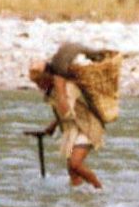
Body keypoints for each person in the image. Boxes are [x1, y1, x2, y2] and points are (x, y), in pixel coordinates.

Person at [29, 61, 104, 190]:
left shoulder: (67, 88)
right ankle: (78, 197)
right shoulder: (52, 91)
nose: (39, 86)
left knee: (75, 164)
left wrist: (60, 93)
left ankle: (99, 189)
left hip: (86, 129)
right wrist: (53, 126)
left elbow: (67, 111)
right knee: (72, 170)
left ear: (49, 76)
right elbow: (61, 113)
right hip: (71, 132)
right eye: (36, 83)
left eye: (40, 82)